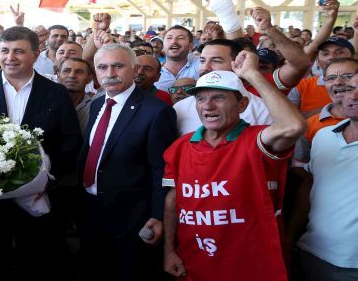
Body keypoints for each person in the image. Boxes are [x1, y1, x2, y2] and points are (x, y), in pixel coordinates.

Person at [0, 26, 82, 281]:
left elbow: (70, 140)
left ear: (36, 54)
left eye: (19, 51)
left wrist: (44, 176)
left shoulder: (56, 93)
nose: (10, 57)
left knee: (36, 262)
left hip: (37, 197)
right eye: (4, 51)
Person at [163, 51, 306, 281]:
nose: (207, 105)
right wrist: (169, 250)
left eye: (219, 97)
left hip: (249, 265)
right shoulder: (180, 146)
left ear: (242, 104)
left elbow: (293, 126)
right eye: (200, 98)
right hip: (194, 262)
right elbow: (173, 198)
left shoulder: (256, 139)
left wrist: (253, 75)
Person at [78, 43, 177, 281]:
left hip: (132, 215)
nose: (110, 73)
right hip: (91, 208)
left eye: (118, 66)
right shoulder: (98, 105)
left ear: (134, 70)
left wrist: (158, 215)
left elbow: (160, 169)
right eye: (102, 67)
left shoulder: (156, 111)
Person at [293, 74, 358, 281]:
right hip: (311, 252)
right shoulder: (324, 136)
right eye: (348, 89)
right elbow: (311, 187)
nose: (353, 96)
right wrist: (289, 236)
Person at [154, 26, 200, 92]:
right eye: (169, 38)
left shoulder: (200, 66)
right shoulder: (154, 71)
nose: (173, 41)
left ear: (190, 46)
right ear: (163, 46)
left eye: (180, 38)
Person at [57, 57, 95, 133]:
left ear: (89, 78)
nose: (72, 75)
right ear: (58, 76)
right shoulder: (45, 102)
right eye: (67, 71)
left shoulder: (96, 105)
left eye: (79, 72)